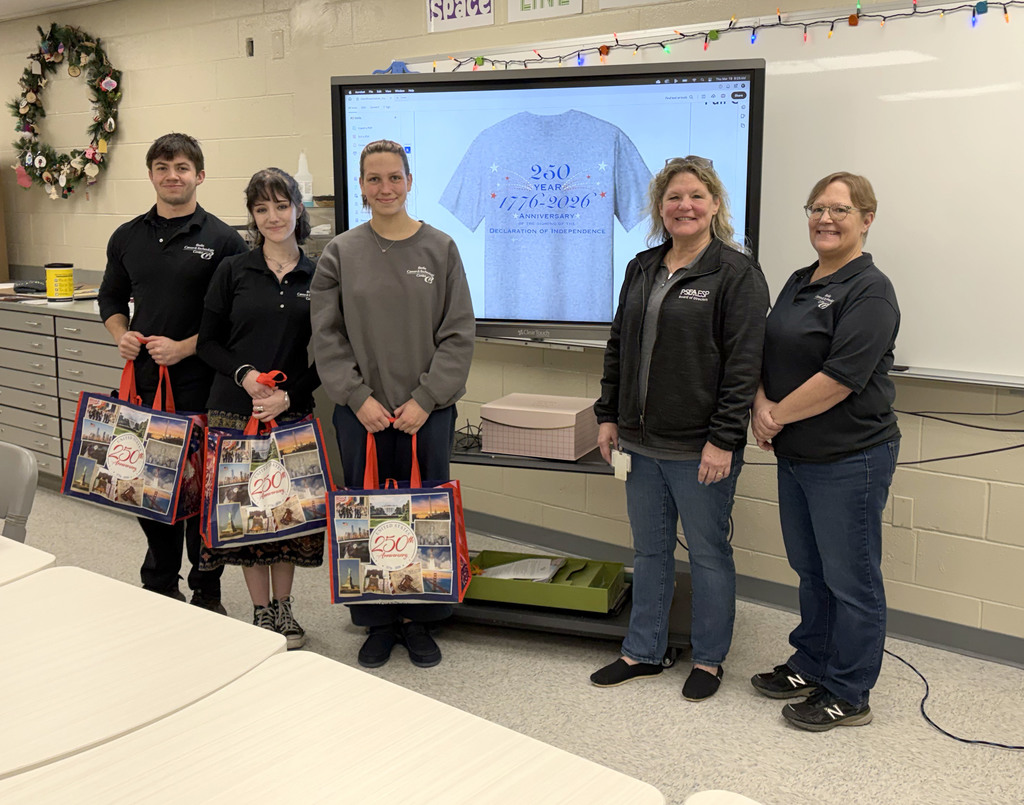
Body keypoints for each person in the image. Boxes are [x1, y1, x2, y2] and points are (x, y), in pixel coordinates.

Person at [591, 156, 768, 701]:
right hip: (640, 441)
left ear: (715, 203)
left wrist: (723, 439)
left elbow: (745, 366)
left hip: (701, 447)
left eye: (695, 196)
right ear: (659, 208)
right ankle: (643, 649)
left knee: (709, 552)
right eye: (673, 198)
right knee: (649, 550)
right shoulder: (642, 267)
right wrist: (608, 414)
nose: (683, 206)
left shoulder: (737, 273)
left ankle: (710, 660)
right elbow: (620, 344)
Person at [311, 139, 475, 669]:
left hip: (426, 413)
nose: (385, 188)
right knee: (368, 515)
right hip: (362, 414)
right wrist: (357, 397)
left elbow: (458, 335)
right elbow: (326, 336)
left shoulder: (441, 249)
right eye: (373, 179)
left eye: (394, 178)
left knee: (423, 513)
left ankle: (422, 619)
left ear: (409, 182)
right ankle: (377, 619)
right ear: (360, 186)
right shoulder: (341, 252)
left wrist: (426, 399)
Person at [750, 172, 899, 731]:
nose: (826, 219)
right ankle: (811, 662)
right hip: (798, 454)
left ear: (866, 218)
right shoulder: (798, 279)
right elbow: (765, 349)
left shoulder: (871, 289)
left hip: (850, 458)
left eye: (840, 209)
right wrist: (761, 402)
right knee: (810, 571)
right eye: (817, 208)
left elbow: (840, 377)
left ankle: (849, 689)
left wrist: (772, 415)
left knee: (852, 580)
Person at [98, 133, 246, 613]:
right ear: (151, 175)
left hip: (203, 390)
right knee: (152, 490)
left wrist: (184, 348)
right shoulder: (127, 236)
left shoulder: (223, 240)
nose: (172, 176)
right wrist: (120, 332)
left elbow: (234, 320)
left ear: (199, 175)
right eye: (163, 167)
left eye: (182, 167)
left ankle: (207, 592)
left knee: (203, 498)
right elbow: (111, 299)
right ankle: (160, 585)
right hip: (144, 390)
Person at [195, 167, 324, 650]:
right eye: (261, 208)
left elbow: (332, 352)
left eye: (281, 205)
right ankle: (260, 612)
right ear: (252, 216)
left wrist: (290, 394)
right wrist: (245, 375)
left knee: (285, 515)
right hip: (234, 411)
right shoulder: (233, 270)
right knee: (250, 515)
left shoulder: (320, 275)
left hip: (289, 413)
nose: (273, 216)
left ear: (298, 209)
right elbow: (208, 343)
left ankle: (286, 608)